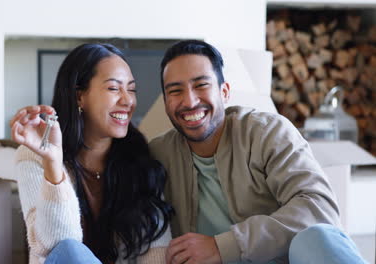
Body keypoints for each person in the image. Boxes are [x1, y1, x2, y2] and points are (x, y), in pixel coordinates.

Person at [149, 40, 368, 264]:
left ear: (224, 92)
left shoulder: (267, 133)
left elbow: (319, 208)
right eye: (175, 91)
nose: (190, 101)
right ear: (166, 102)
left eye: (201, 85)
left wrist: (224, 246)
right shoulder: (158, 155)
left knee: (317, 236)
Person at [10, 43, 173, 264]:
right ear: (79, 97)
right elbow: (54, 247)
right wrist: (53, 163)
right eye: (114, 88)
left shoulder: (141, 160)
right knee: (69, 249)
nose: (128, 100)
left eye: (131, 89)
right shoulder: (34, 156)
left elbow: (157, 252)